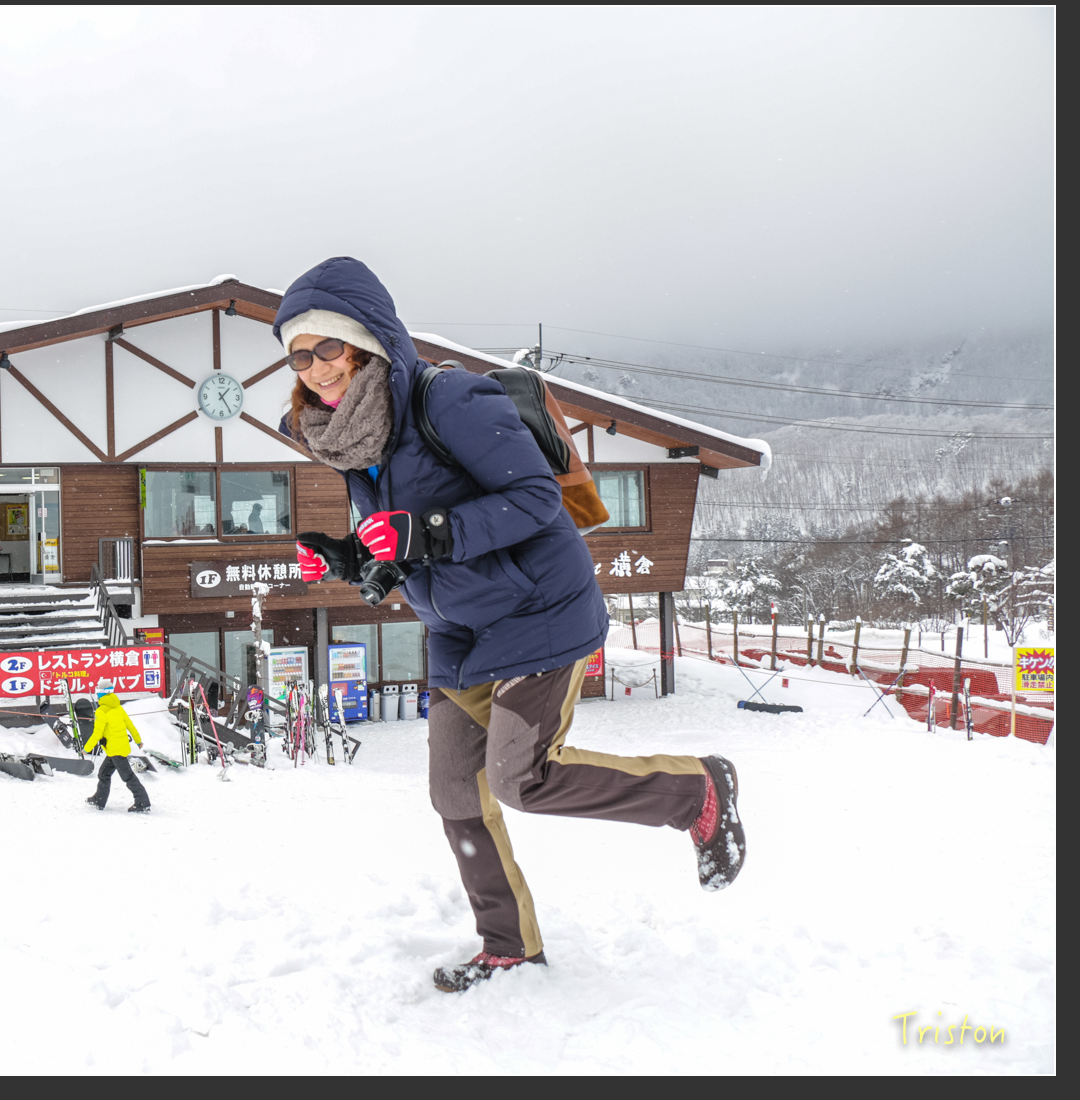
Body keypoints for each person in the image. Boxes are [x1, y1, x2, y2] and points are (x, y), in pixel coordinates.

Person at [276, 257, 746, 993]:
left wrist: (425, 532)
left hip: (538, 609)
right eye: (299, 354)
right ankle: (509, 946)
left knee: (523, 778)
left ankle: (696, 793)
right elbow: (397, 548)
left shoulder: (450, 399)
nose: (316, 367)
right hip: (458, 628)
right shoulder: (349, 438)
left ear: (367, 343)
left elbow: (533, 500)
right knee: (455, 793)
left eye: (328, 347)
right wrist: (350, 554)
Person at [84, 687, 151, 813]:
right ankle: (99, 799)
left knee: (128, 777)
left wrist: (86, 749)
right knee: (103, 773)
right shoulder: (118, 708)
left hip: (115, 750)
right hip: (119, 748)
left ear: (100, 695)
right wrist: (138, 741)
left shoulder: (101, 711)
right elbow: (130, 725)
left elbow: (96, 733)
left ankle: (142, 802)